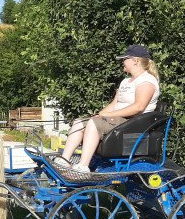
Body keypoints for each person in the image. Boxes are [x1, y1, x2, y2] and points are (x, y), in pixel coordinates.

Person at [57, 44, 160, 173]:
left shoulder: (146, 81)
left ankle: (83, 166)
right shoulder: (126, 81)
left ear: (135, 61)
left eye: (125, 59)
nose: (123, 62)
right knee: (79, 122)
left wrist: (110, 115)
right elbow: (115, 103)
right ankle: (64, 160)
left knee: (94, 124)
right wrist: (102, 113)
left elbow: (138, 107)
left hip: (133, 123)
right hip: (118, 120)